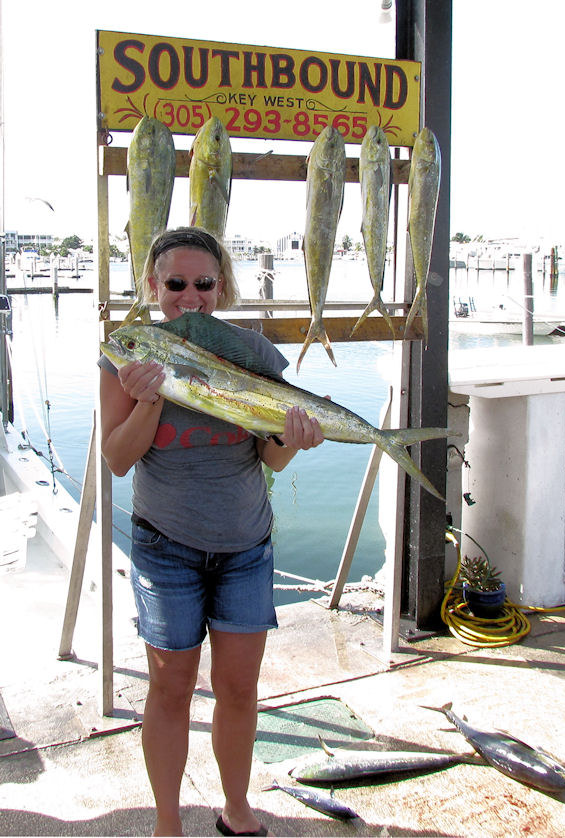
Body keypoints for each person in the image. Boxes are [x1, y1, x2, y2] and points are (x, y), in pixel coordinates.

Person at [99, 227, 325, 837]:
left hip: (246, 546)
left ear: (220, 287)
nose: (189, 296)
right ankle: (167, 824)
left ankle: (237, 807)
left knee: (239, 688)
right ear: (153, 286)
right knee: (170, 688)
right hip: (163, 547)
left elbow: (270, 457)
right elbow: (118, 459)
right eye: (176, 284)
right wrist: (150, 397)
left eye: (203, 283)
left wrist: (293, 439)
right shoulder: (127, 353)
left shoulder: (253, 350)